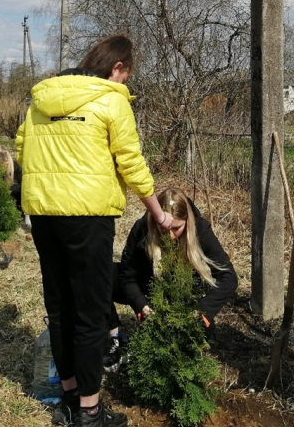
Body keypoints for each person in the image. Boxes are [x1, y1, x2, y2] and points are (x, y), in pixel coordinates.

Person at [16, 34, 175, 427]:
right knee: (90, 312)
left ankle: (69, 399)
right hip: (87, 216)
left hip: (44, 215)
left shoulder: (41, 99)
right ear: (117, 67)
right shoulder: (111, 99)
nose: (125, 84)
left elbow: (22, 149)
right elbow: (131, 163)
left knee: (59, 307)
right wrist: (158, 213)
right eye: (126, 76)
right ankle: (90, 411)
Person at [106, 187, 237, 369]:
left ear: (187, 221)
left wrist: (203, 310)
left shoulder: (200, 229)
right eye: (163, 229)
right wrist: (141, 304)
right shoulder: (142, 227)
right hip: (148, 291)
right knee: (102, 277)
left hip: (184, 298)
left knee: (198, 335)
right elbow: (127, 276)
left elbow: (228, 277)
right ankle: (115, 336)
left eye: (176, 228)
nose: (170, 236)